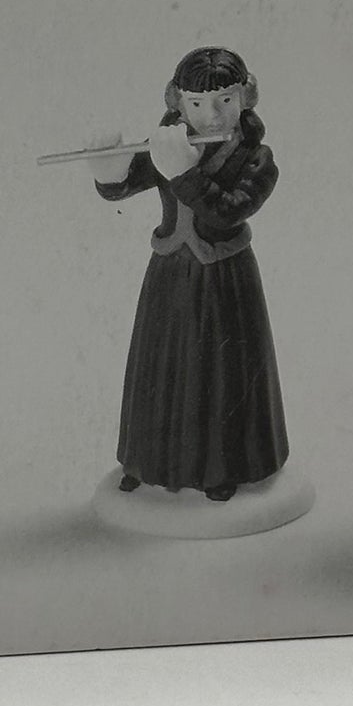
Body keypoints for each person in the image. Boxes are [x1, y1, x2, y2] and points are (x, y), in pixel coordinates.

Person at [86, 45, 289, 501]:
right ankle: (146, 460)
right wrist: (109, 169)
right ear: (178, 103)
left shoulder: (258, 159)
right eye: (197, 104)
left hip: (225, 278)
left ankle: (222, 469)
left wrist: (183, 174)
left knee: (220, 373)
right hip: (170, 273)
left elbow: (229, 211)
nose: (211, 115)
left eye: (224, 101)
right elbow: (124, 185)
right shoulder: (170, 144)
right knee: (158, 367)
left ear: (245, 98)